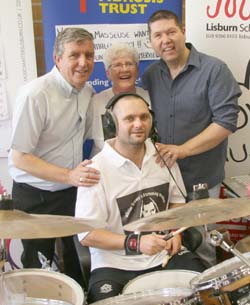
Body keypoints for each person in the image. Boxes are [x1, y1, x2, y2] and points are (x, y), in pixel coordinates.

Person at [75, 92, 206, 303]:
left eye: (144, 117)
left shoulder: (163, 157)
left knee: (208, 291)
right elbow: (87, 235)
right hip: (115, 265)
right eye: (129, 119)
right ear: (111, 124)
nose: (139, 124)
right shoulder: (95, 170)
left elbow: (177, 201)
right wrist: (136, 243)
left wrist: (175, 232)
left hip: (165, 254)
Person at [142, 10, 241, 267]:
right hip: (163, 181)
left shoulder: (214, 70)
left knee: (204, 246)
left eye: (171, 32)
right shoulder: (152, 75)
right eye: (158, 35)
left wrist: (183, 150)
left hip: (201, 182)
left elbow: (225, 122)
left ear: (183, 31)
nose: (166, 40)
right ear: (151, 41)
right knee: (166, 249)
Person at [8, 27, 100, 286]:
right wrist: (69, 175)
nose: (84, 63)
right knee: (40, 268)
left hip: (73, 192)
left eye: (89, 55)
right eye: (75, 55)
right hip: (36, 195)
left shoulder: (87, 91)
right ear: (57, 59)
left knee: (79, 263)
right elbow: (20, 157)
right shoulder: (35, 94)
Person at [90, 42, 150, 156]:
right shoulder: (95, 102)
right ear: (108, 73)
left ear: (137, 70)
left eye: (129, 64)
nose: (124, 69)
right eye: (117, 65)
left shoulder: (150, 98)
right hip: (104, 168)